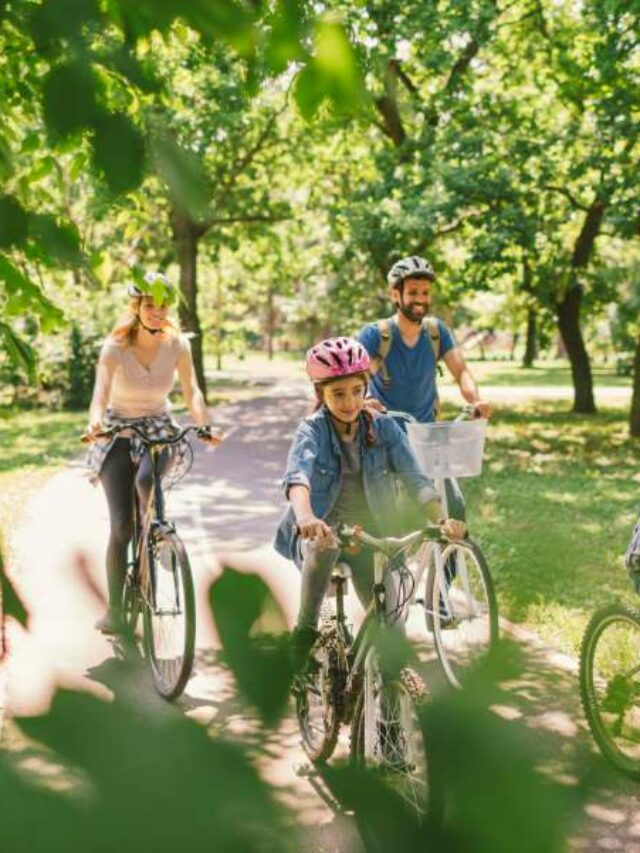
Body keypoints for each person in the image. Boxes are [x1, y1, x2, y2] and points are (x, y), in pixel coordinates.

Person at [273, 336, 465, 668]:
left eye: (356, 391)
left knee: (391, 632)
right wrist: (306, 518)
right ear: (321, 394)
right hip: (323, 530)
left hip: (368, 535)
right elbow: (298, 478)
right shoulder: (312, 431)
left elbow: (414, 477)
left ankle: (388, 711)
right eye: (337, 394)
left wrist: (440, 519)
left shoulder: (384, 428)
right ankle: (305, 630)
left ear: (366, 388)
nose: (349, 402)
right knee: (324, 543)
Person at [85, 271, 220, 634]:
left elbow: (192, 391)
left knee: (147, 479)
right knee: (121, 527)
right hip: (117, 430)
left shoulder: (178, 345)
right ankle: (116, 609)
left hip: (159, 425)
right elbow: (99, 394)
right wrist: (94, 423)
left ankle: (157, 535)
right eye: (150, 305)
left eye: (163, 306)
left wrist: (204, 423)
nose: (158, 312)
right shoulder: (115, 347)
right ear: (137, 307)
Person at [356, 255, 491, 519]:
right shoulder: (377, 335)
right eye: (413, 292)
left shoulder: (436, 333)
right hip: (385, 436)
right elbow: (358, 378)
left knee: (451, 508)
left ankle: (450, 559)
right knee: (391, 516)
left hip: (428, 436)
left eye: (426, 293)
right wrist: (366, 399)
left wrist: (476, 400)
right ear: (396, 295)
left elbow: (460, 371)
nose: (421, 299)